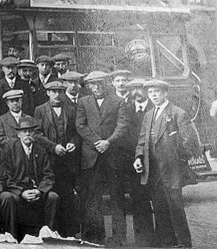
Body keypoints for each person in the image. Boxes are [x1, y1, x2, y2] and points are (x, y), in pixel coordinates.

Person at [134, 79, 200, 248]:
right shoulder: (149, 115)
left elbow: (190, 144)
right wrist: (139, 158)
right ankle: (167, 243)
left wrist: (176, 160)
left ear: (165, 93)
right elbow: (142, 140)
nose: (153, 95)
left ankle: (185, 244)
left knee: (176, 209)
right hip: (153, 172)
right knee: (160, 208)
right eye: (150, 92)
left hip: (172, 172)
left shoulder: (178, 113)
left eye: (157, 92)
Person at [75, 71, 129, 246]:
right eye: (93, 84)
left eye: (99, 83)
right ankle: (94, 238)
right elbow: (80, 125)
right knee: (93, 198)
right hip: (91, 155)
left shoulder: (118, 101)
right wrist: (97, 141)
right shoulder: (83, 102)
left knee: (116, 197)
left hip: (112, 154)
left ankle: (118, 238)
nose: (96, 87)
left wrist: (108, 142)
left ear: (105, 83)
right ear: (89, 86)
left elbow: (122, 125)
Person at [34, 81, 81, 238]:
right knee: (52, 196)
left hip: (68, 163)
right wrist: (53, 147)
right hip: (49, 161)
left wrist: (72, 143)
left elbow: (77, 132)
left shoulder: (71, 110)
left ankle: (68, 234)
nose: (56, 95)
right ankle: (51, 232)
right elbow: (37, 134)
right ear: (47, 93)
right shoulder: (40, 110)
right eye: (52, 91)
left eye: (59, 91)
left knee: (68, 196)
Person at [4, 117, 59, 234]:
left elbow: (48, 175)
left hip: (37, 190)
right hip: (19, 190)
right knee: (11, 199)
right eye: (24, 131)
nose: (27, 134)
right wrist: (21, 192)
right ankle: (13, 236)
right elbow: (7, 176)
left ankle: (49, 235)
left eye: (30, 131)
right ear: (18, 134)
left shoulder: (41, 150)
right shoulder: (10, 149)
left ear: (34, 133)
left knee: (53, 197)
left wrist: (40, 190)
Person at [123, 78, 155, 246]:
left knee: (158, 201)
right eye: (133, 88)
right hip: (134, 162)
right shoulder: (127, 109)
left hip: (154, 162)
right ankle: (144, 241)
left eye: (140, 88)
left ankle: (165, 240)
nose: (137, 91)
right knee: (138, 200)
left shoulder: (154, 108)